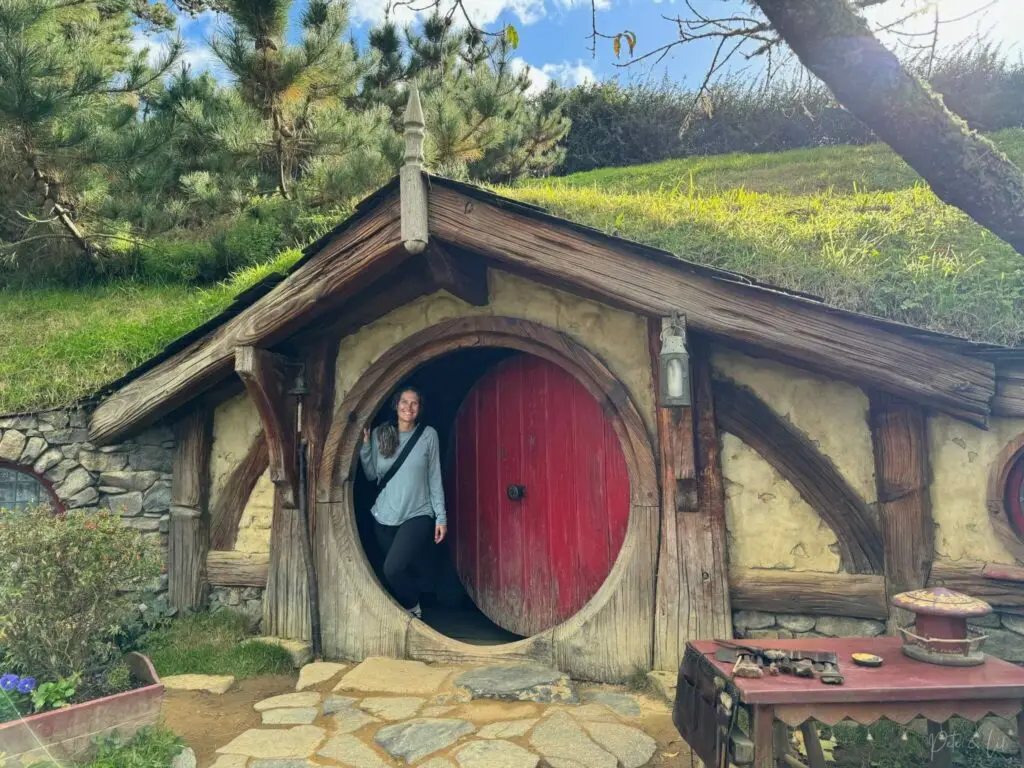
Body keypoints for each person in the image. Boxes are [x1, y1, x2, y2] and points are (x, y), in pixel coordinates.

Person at [359, 386, 447, 619]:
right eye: (404, 402)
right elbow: (371, 475)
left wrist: (441, 516)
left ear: (420, 408)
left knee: (393, 568)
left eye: (414, 403)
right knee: (396, 569)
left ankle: (413, 607)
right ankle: (410, 603)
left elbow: (434, 477)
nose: (408, 407)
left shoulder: (428, 435)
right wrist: (366, 447)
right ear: (396, 405)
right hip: (384, 516)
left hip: (417, 512)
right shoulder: (381, 434)